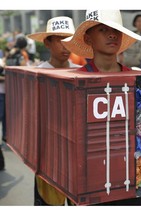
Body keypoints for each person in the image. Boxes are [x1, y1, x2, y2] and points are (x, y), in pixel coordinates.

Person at [61, 9, 141, 206]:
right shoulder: (73, 82)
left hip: (129, 182)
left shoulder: (137, 80)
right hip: (88, 183)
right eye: (102, 29)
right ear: (88, 38)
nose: (111, 34)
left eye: (116, 30)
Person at [27, 16, 80, 206]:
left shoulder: (81, 73)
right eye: (59, 40)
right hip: (48, 155)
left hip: (75, 154)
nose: (65, 46)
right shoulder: (37, 74)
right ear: (47, 42)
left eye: (69, 40)